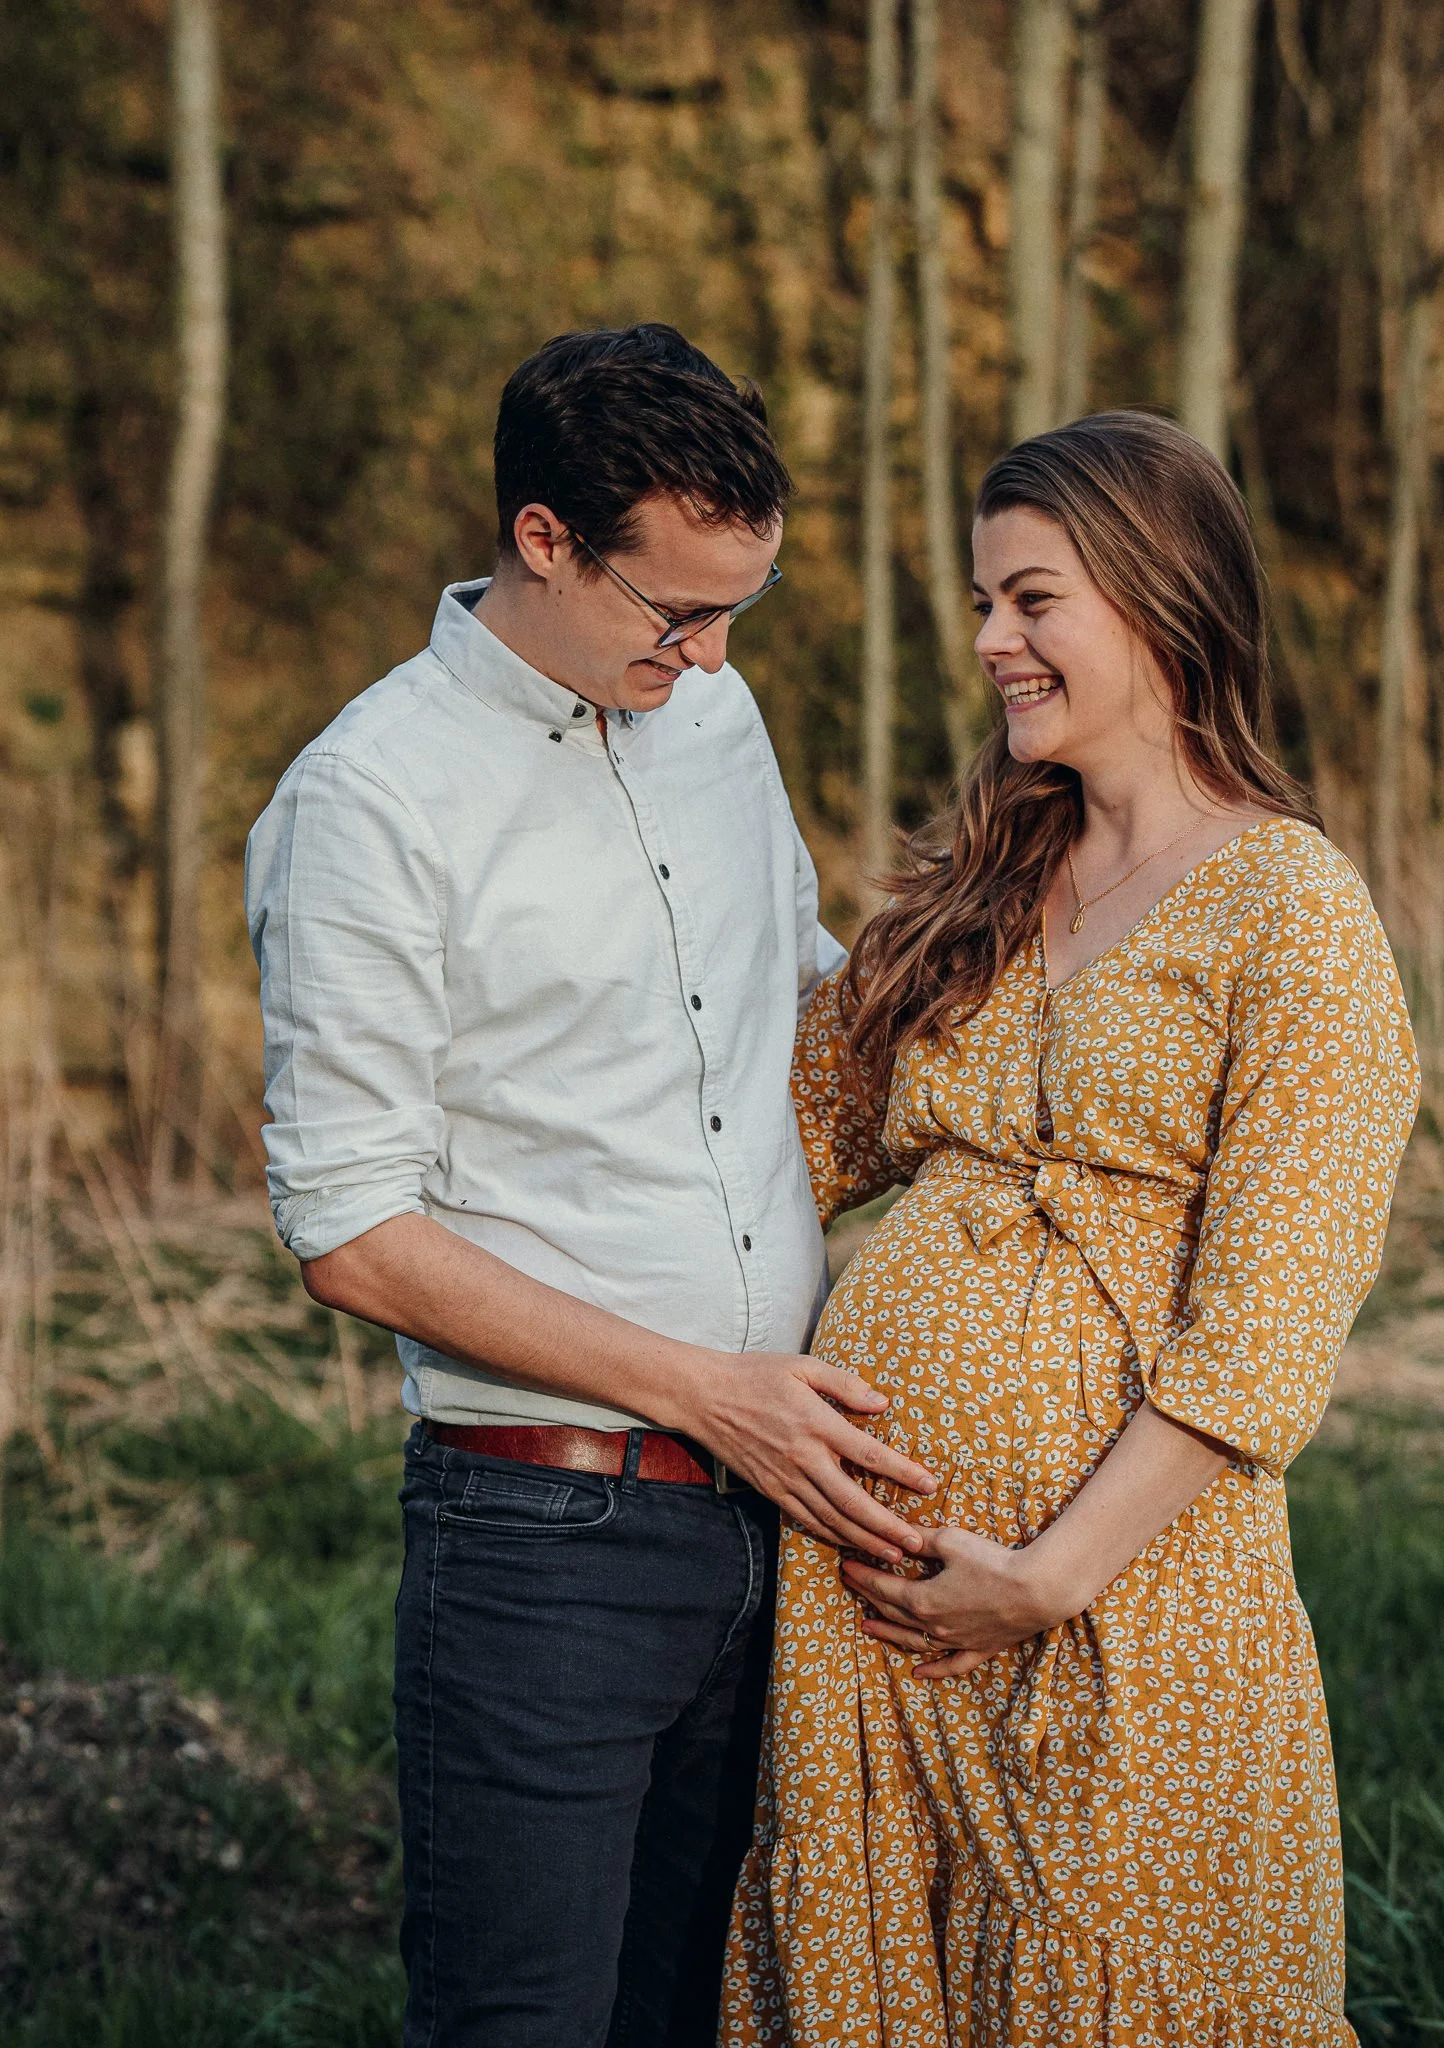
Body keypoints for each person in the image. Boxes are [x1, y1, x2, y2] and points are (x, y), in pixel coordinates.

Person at [243, 323, 937, 2048]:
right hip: (541, 1538)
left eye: (737, 615)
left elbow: (803, 1002)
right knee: (524, 2025)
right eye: (674, 616)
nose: (707, 659)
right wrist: (715, 1392)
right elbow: (349, 1233)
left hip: (770, 1523)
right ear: (540, 540)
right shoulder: (370, 800)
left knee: (705, 2013)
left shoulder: (714, 713)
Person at [721, 410, 1420, 2046]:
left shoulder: (1292, 910)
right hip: (870, 1603)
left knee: (1112, 1986)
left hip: (1127, 1608)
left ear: (1156, 596)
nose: (987, 643)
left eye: (1030, 601)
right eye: (983, 602)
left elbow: (1263, 1330)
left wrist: (1037, 1582)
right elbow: (765, 1147)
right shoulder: (977, 885)